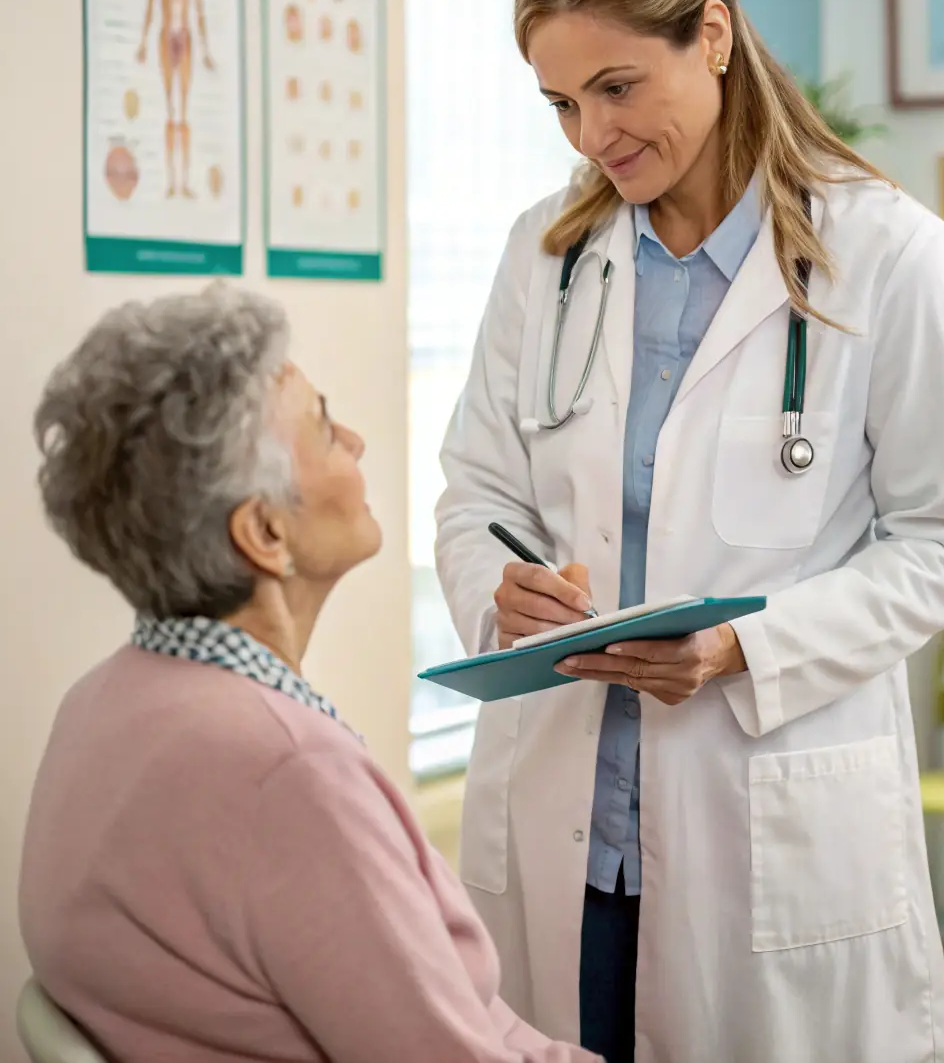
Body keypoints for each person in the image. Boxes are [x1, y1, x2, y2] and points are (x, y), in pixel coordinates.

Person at [434, 0, 944, 1063]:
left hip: (766, 820)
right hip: (566, 829)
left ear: (715, 37)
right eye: (561, 102)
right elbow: (475, 495)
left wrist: (743, 645)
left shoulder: (888, 255)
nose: (592, 135)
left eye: (617, 87)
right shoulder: (547, 258)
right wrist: (501, 589)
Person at [20, 287, 600, 1063]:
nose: (356, 441)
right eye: (324, 427)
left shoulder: (99, 700)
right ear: (264, 531)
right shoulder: (287, 773)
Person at [137, 0, 215, 199]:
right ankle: (170, 181)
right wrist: (142, 41)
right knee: (170, 110)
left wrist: (207, 49)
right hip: (165, 34)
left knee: (185, 110)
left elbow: (199, 4)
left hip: (185, 36)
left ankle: (185, 180)